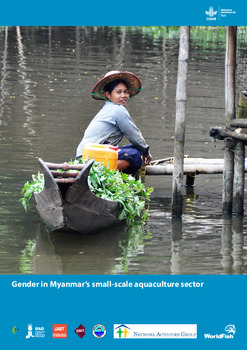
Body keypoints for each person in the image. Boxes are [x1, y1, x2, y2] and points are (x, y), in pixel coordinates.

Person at [76, 70, 152, 174]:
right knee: (134, 155)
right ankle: (102, 173)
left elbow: (137, 142)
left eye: (126, 92)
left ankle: (106, 170)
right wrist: (146, 153)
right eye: (118, 92)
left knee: (135, 149)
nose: (124, 95)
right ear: (108, 94)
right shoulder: (117, 110)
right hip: (89, 157)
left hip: (90, 155)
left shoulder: (108, 108)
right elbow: (135, 136)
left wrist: (143, 150)